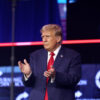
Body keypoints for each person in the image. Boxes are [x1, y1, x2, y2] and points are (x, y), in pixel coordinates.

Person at [18, 24, 81, 100]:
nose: (44, 40)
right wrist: (28, 74)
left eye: (47, 36)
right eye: (42, 37)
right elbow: (28, 84)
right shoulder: (35, 56)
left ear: (58, 38)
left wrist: (55, 75)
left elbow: (74, 79)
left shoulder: (72, 56)